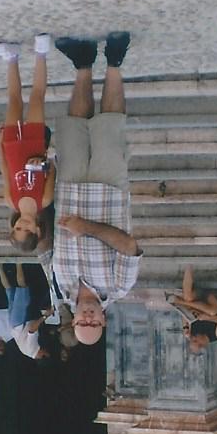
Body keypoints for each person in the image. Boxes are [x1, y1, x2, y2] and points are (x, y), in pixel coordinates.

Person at [42, 31, 138, 345]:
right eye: (94, 323)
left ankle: (83, 64)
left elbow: (49, 243)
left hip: (70, 192)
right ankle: (114, 61)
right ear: (103, 320)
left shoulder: (61, 287)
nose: (88, 317)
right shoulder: (118, 287)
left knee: (74, 126)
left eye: (83, 323)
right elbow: (128, 246)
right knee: (109, 124)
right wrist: (87, 227)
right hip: (108, 193)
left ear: (73, 322)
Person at [0, 34, 56, 253]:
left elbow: (5, 171)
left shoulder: (11, 201)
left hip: (12, 148)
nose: (22, 224)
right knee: (37, 97)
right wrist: (42, 164)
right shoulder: (44, 199)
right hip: (34, 148)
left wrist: (0, 144)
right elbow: (52, 169)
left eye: (17, 227)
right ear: (37, 230)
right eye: (26, 229)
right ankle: (41, 54)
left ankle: (12, 58)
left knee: (14, 100)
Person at [0, 263, 45, 359]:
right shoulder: (27, 351)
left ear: (43, 355)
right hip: (14, 321)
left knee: (22, 288)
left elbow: (32, 329)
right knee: (9, 290)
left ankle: (19, 263)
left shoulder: (33, 349)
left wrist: (45, 316)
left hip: (19, 321)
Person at [167, 265, 217, 354]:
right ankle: (182, 301)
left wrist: (185, 327)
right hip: (215, 298)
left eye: (192, 340)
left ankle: (188, 265)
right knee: (212, 311)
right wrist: (207, 318)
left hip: (200, 299)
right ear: (202, 344)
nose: (193, 337)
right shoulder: (216, 335)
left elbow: (185, 314)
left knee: (187, 297)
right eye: (195, 340)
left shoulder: (192, 333)